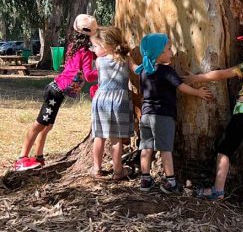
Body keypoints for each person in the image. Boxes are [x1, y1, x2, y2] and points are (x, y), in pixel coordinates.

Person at [184, 28, 243, 209]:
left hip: (242, 115)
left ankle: (218, 190)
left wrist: (196, 78)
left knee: (224, 150)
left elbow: (222, 74)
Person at [13, 14, 98, 171]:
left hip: (55, 89)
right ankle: (22, 158)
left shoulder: (74, 46)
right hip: (56, 92)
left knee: (47, 126)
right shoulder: (85, 52)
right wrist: (101, 69)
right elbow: (88, 75)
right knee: (39, 124)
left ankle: (38, 156)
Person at [135, 33, 213, 193]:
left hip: (146, 115)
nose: (172, 52)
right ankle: (170, 182)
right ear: (158, 53)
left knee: (146, 147)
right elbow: (182, 87)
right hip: (163, 115)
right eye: (169, 49)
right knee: (165, 149)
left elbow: (143, 92)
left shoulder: (143, 71)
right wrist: (198, 93)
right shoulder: (166, 71)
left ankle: (145, 179)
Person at [91, 26, 137, 180]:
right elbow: (137, 70)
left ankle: (96, 169)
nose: (93, 49)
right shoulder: (125, 59)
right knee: (116, 138)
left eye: (96, 46)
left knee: (99, 136)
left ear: (107, 45)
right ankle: (118, 171)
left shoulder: (99, 61)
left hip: (101, 100)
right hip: (119, 101)